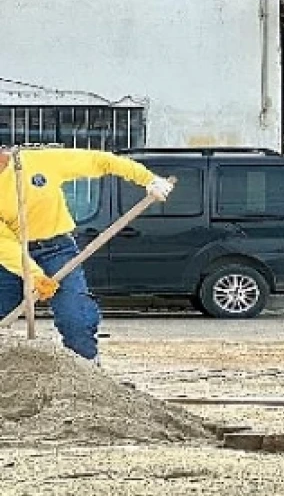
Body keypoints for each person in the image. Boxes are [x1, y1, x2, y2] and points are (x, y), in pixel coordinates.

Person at [0, 146, 172, 361]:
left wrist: (148, 178)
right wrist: (35, 276)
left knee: (75, 319)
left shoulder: (37, 161)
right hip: (10, 259)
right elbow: (4, 244)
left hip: (57, 251)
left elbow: (100, 160)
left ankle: (87, 371)